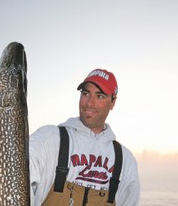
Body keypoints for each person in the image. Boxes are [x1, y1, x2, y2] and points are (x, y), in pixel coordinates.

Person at [30, 69, 140, 206]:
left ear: (113, 102)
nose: (89, 103)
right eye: (86, 94)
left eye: (100, 96)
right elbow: (10, 173)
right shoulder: (48, 139)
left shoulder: (125, 160)